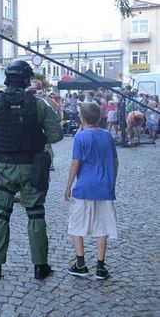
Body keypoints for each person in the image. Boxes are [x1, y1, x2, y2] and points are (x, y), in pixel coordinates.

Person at [0, 60, 63, 280]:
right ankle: (40, 267)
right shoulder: (39, 105)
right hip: (33, 167)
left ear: (7, 79)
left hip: (4, 167)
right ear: (26, 80)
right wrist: (35, 136)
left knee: (1, 214)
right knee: (36, 213)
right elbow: (56, 135)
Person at [65, 102, 118, 280]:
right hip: (104, 188)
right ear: (100, 117)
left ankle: (81, 265)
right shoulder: (107, 135)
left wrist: (68, 187)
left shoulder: (80, 137)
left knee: (76, 225)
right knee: (102, 227)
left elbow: (75, 163)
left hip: (84, 188)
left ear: (82, 118)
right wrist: (111, 182)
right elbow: (115, 162)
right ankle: (100, 268)